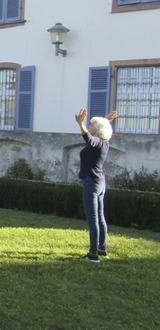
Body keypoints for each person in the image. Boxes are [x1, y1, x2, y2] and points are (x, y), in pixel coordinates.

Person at [74, 108, 117, 264]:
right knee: (100, 217)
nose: (89, 126)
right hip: (100, 182)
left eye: (91, 125)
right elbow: (100, 129)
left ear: (96, 130)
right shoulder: (104, 142)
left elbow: (89, 138)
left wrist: (81, 124)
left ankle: (93, 255)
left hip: (91, 183)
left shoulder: (97, 143)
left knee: (93, 219)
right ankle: (101, 248)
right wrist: (107, 119)